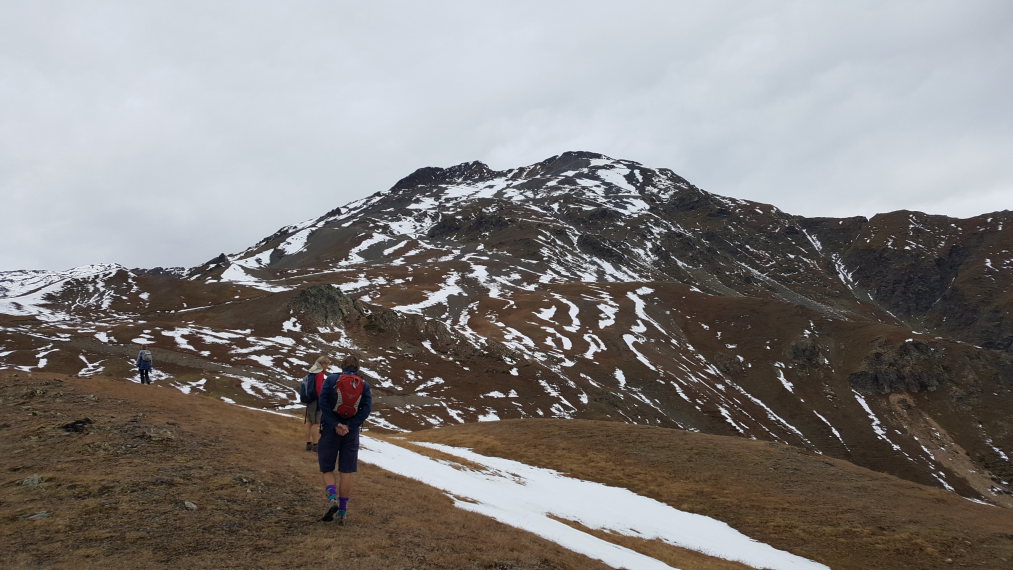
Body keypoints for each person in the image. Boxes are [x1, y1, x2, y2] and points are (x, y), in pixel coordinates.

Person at [317, 354, 371, 525]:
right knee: (346, 471)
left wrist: (335, 424)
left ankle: (332, 498)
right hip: (351, 433)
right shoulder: (364, 384)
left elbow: (323, 402)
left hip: (330, 430)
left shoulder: (332, 379)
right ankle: (342, 511)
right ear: (358, 367)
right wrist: (350, 426)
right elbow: (366, 409)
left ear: (342, 366)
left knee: (327, 469)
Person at [303, 356, 331, 452]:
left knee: (310, 422)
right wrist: (323, 400)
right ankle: (316, 445)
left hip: (310, 400)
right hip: (316, 401)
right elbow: (319, 389)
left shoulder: (311, 372)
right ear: (323, 364)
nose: (327, 367)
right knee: (316, 423)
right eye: (327, 364)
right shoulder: (319, 374)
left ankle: (308, 444)